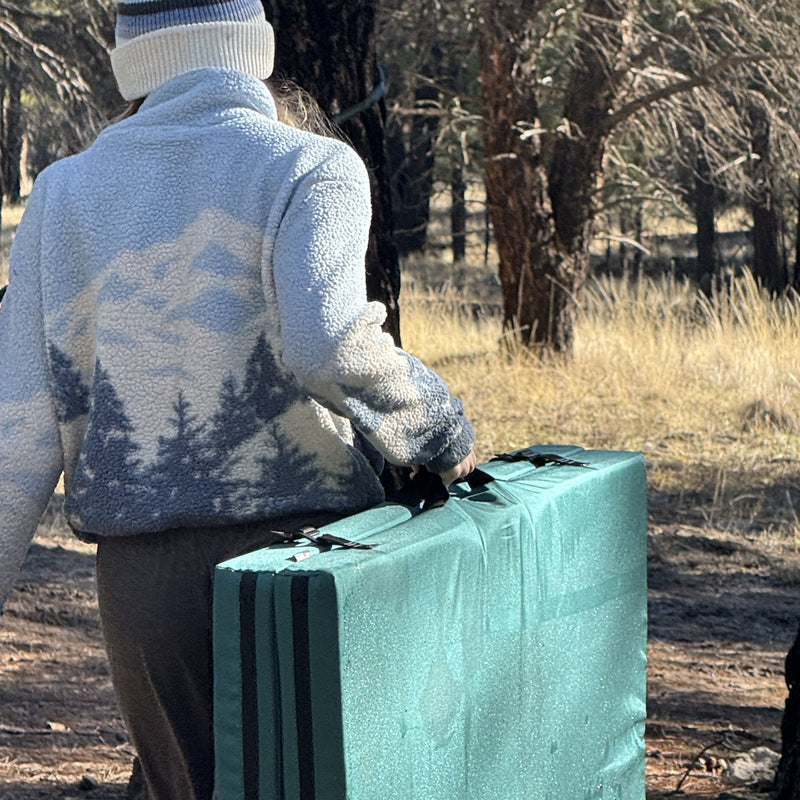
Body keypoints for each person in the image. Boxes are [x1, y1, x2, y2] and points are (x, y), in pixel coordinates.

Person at [0, 2, 476, 799]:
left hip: (142, 582)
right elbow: (330, 346)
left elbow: (15, 434)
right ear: (251, 43)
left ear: (132, 57)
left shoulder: (61, 193)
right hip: (306, 557)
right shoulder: (312, 166)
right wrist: (438, 425)